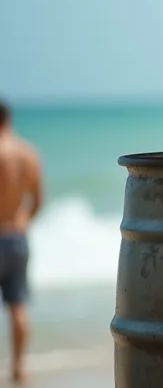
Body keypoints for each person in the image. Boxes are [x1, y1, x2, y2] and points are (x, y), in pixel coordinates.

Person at [0, 101, 41, 386]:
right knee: (17, 305)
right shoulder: (28, 152)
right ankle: (19, 368)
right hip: (17, 236)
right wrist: (23, 221)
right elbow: (37, 201)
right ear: (9, 119)